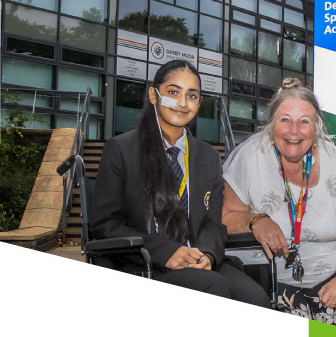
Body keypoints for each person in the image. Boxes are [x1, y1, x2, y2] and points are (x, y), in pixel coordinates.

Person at [90, 60, 270, 306]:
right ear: (154, 95)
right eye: (173, 92)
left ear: (199, 103)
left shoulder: (207, 157)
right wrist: (165, 252)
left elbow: (213, 224)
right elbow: (105, 224)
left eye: (192, 95)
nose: (183, 103)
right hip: (145, 261)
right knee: (212, 287)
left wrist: (207, 253)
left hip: (196, 259)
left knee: (255, 298)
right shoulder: (122, 150)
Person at [222, 78, 336, 325]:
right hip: (263, 282)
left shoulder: (335, 160)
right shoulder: (250, 156)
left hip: (327, 286)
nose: (294, 130)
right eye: (285, 119)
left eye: (304, 121)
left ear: (317, 126)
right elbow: (225, 217)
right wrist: (256, 220)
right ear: (271, 123)